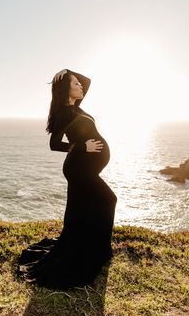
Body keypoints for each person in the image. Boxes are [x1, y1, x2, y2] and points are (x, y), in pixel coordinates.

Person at [17, 69, 117, 289]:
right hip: (79, 169)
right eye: (75, 84)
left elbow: (88, 80)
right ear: (66, 90)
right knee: (108, 200)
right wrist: (83, 146)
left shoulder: (76, 107)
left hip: (86, 169)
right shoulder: (64, 112)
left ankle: (95, 248)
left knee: (84, 209)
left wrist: (69, 72)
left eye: (80, 85)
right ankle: (99, 250)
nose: (81, 86)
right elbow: (54, 144)